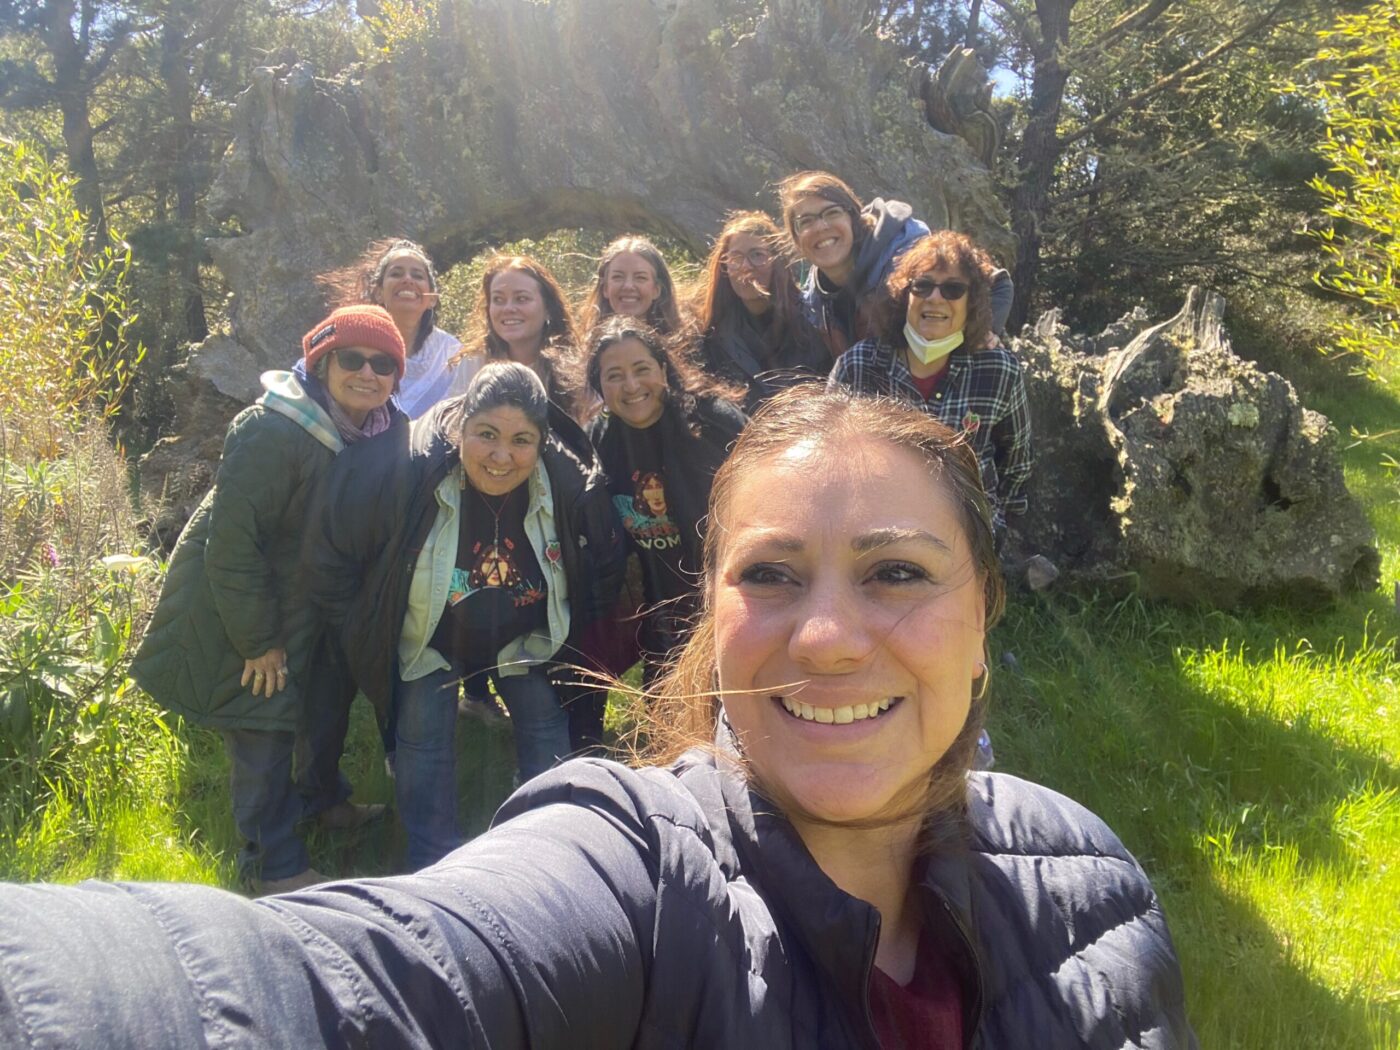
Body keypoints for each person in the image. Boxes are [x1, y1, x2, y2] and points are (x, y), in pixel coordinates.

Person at [0, 389, 1196, 1049]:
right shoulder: (634, 870)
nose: (826, 635)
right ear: (710, 612)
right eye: (770, 574)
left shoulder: (1095, 881)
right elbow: (350, 983)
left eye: (894, 572)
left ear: (983, 611)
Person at [127, 305, 406, 894]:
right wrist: (257, 642)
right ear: (322, 361)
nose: (367, 373)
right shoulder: (272, 429)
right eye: (351, 359)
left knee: (325, 708)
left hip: (310, 605)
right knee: (263, 726)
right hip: (244, 606)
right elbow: (231, 545)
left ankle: (325, 803)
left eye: (383, 364)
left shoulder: (376, 431)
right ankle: (273, 865)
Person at [306, 362, 625, 870]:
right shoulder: (409, 467)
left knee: (545, 722)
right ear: (460, 429)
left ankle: (551, 855)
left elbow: (605, 567)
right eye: (486, 435)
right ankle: (433, 864)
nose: (502, 456)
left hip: (522, 639)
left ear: (542, 441)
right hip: (431, 636)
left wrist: (572, 637)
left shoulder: (569, 483)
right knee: (422, 731)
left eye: (522, 440)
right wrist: (366, 627)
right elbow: (331, 553)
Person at [829, 230, 1032, 541]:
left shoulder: (998, 370)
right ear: (903, 296)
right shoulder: (857, 366)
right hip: (876, 529)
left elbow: (1016, 461)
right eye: (922, 285)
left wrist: (1001, 530)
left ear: (972, 303)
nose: (935, 297)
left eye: (953, 289)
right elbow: (831, 455)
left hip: (965, 533)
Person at [579, 315, 746, 685]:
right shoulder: (596, 444)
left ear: (664, 368)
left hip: (730, 592)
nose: (632, 385)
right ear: (599, 386)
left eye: (642, 369)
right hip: (659, 608)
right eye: (614, 375)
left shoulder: (713, 423)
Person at [777, 169, 1014, 356]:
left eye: (831, 213)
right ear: (797, 240)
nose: (821, 227)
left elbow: (998, 283)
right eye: (805, 221)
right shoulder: (815, 301)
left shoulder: (905, 255)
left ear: (853, 218)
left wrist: (980, 332)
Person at [692, 210, 830, 414]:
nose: (746, 267)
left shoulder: (812, 321)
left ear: (777, 261)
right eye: (735, 258)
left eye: (757, 255)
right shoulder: (709, 334)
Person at [318, 237, 462, 418]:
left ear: (432, 298)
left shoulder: (452, 354)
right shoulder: (352, 342)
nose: (408, 280)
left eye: (417, 276)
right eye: (396, 274)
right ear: (378, 292)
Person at [449, 253, 581, 415]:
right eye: (498, 300)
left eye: (522, 298)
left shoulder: (574, 368)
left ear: (548, 308)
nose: (508, 308)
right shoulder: (472, 364)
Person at [581, 234, 687, 335]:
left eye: (640, 278)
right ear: (605, 288)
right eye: (618, 277)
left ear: (656, 290)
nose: (628, 286)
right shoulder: (587, 349)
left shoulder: (681, 350)